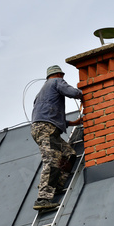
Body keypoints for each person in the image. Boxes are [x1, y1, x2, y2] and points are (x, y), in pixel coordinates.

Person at [31, 65, 83, 210]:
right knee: (52, 160)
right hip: (46, 129)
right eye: (62, 76)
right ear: (59, 74)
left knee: (69, 154)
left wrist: (72, 123)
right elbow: (71, 92)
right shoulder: (56, 82)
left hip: (42, 128)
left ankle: (57, 186)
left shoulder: (40, 93)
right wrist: (85, 94)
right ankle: (43, 199)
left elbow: (47, 115)